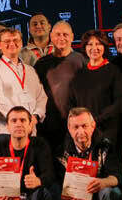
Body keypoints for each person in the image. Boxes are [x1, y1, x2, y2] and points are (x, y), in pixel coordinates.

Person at [55, 108, 122, 200]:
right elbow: (56, 183)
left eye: (84, 126)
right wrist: (66, 199)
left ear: (93, 126)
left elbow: (118, 177)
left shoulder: (106, 146)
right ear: (69, 129)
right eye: (76, 127)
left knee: (111, 192)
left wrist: (103, 182)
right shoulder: (61, 151)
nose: (80, 131)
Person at [68, 29, 122, 155]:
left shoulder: (113, 71)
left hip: (107, 131)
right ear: (85, 48)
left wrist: (96, 120)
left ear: (104, 47)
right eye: (90, 44)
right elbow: (72, 103)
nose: (94, 48)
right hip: (83, 132)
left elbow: (120, 102)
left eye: (98, 44)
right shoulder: (79, 75)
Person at [0, 28, 48, 138]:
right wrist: (20, 121)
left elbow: (41, 97)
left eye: (15, 40)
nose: (12, 44)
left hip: (31, 130)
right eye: (7, 41)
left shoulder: (30, 70)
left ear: (21, 43)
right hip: (7, 131)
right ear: (0, 45)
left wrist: (35, 117)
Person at [34, 21, 87, 149]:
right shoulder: (41, 64)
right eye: (57, 34)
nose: (61, 38)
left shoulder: (81, 60)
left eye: (65, 34)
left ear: (72, 37)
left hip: (75, 124)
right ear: (51, 37)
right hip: (48, 125)